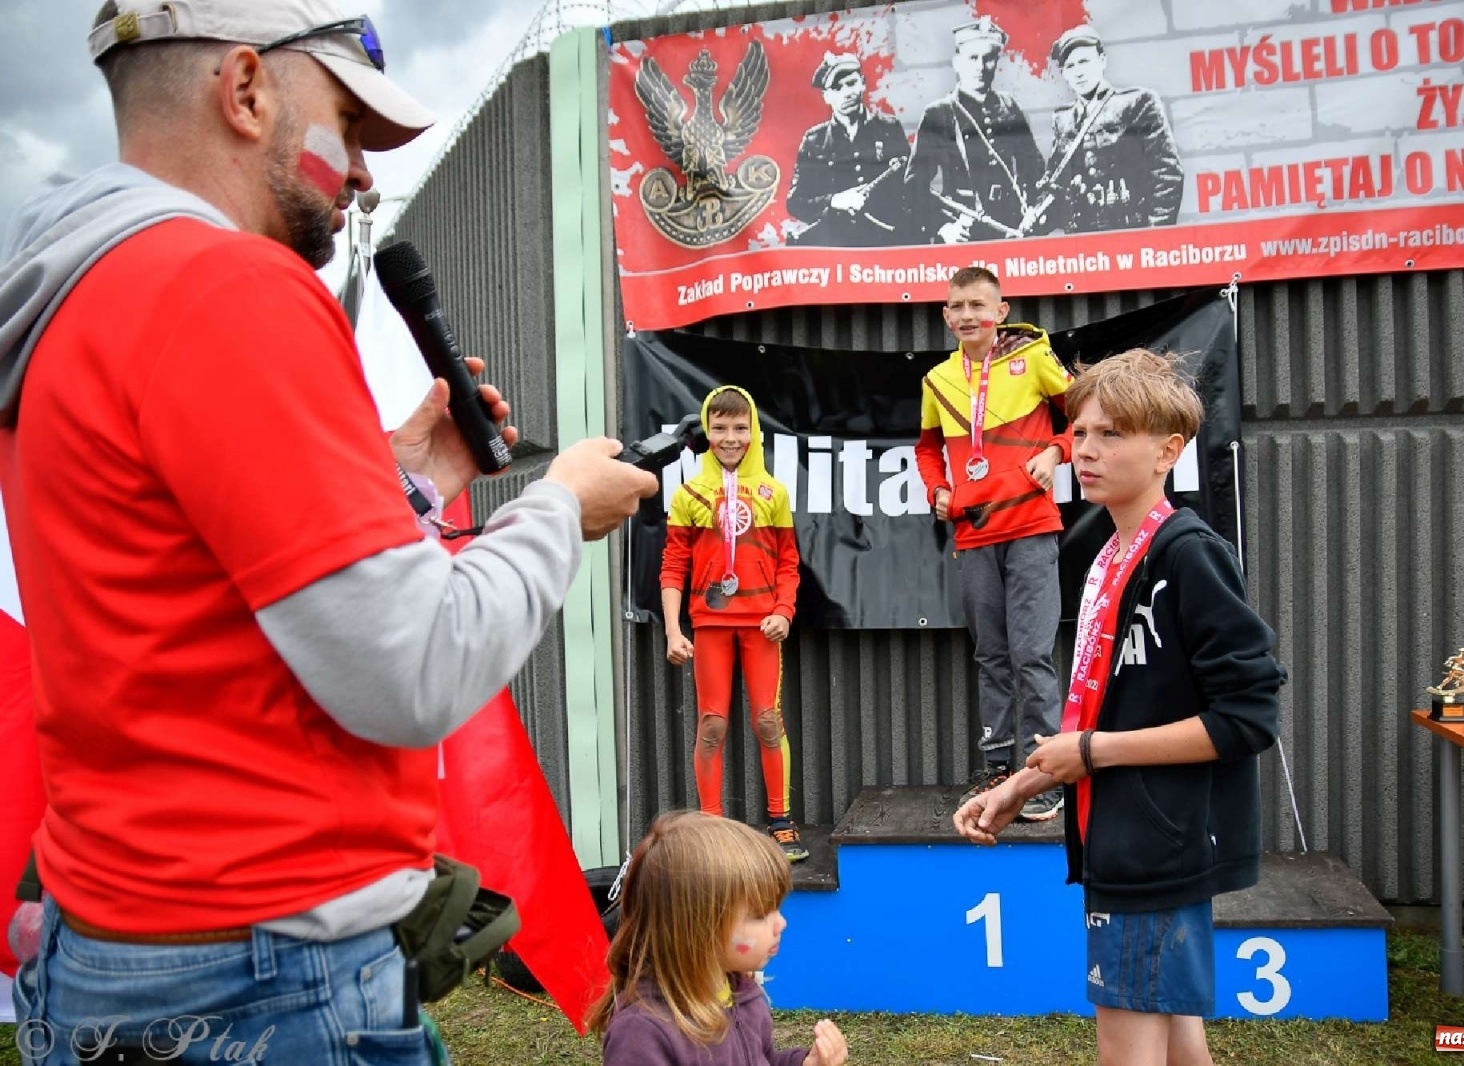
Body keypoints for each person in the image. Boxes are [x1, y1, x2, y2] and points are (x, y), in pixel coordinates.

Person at [0, 1, 658, 1061]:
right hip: (264, 977)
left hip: (119, 945)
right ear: (247, 90)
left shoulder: (80, 293)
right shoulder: (226, 286)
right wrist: (557, 509)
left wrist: (404, 478)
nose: (359, 175)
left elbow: (187, 590)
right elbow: (413, 672)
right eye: (349, 127)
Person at [954, 349, 1284, 1066]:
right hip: (1122, 840)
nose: (1087, 450)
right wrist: (1021, 784)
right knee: (1179, 1041)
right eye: (1081, 432)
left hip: (1156, 847)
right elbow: (1093, 717)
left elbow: (1247, 718)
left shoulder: (1188, 554)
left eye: (1112, 434)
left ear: (1169, 450)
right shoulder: (1106, 551)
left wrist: (1094, 754)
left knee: (1131, 1043)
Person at [914, 266, 1074, 821]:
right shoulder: (937, 380)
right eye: (956, 306)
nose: (967, 315)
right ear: (945, 315)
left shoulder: (1033, 361)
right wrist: (935, 487)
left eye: (978, 305)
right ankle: (998, 765)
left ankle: (1045, 772)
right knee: (991, 656)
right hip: (974, 532)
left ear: (1000, 311)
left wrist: (1056, 451)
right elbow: (928, 448)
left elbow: (1083, 416)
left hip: (1030, 528)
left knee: (1032, 654)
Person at [660, 387, 806, 862]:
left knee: (767, 721)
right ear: (707, 430)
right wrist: (672, 630)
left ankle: (781, 822)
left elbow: (789, 562)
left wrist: (784, 611)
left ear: (754, 432)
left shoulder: (773, 492)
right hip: (710, 626)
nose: (730, 438)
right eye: (720, 428)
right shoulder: (689, 493)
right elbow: (672, 564)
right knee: (711, 726)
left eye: (740, 428)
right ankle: (711, 826)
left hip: (761, 625)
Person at [588, 811, 848, 1065]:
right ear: (698, 927)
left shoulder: (742, 995)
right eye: (759, 914)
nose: (781, 923)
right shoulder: (643, 1034)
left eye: (777, 908)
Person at [902, 16, 1045, 244]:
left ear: (997, 62)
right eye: (973, 58)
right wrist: (943, 227)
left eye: (988, 58)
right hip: (963, 228)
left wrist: (1031, 210)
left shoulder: (1008, 106)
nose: (980, 67)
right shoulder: (938, 113)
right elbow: (914, 184)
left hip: (1011, 225)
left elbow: (1033, 166)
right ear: (956, 62)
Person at [1030, 25, 1183, 235]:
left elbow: (1167, 174)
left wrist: (1154, 236)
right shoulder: (1063, 119)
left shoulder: (1137, 103)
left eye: (1084, 61)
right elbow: (1055, 184)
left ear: (1102, 60)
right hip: (1081, 237)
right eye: (1070, 66)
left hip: (1131, 231)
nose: (1078, 72)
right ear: (1064, 73)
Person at [786, 51, 911, 247]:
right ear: (826, 96)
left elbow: (910, 188)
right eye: (837, 88)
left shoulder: (888, 129)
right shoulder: (815, 141)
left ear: (862, 83)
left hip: (885, 242)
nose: (847, 93)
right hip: (836, 248)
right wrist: (836, 201)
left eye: (851, 83)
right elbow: (796, 203)